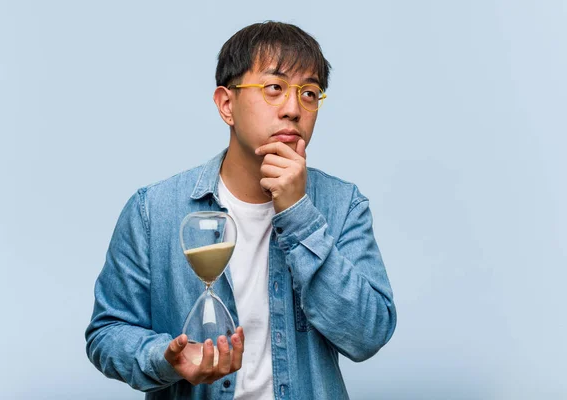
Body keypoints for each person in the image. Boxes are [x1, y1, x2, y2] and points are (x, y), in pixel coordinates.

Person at [85, 21, 397, 400]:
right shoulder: (153, 211)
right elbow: (107, 332)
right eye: (274, 88)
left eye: (310, 93)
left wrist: (298, 213)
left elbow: (367, 336)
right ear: (226, 104)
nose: (294, 109)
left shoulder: (342, 205)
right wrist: (165, 359)